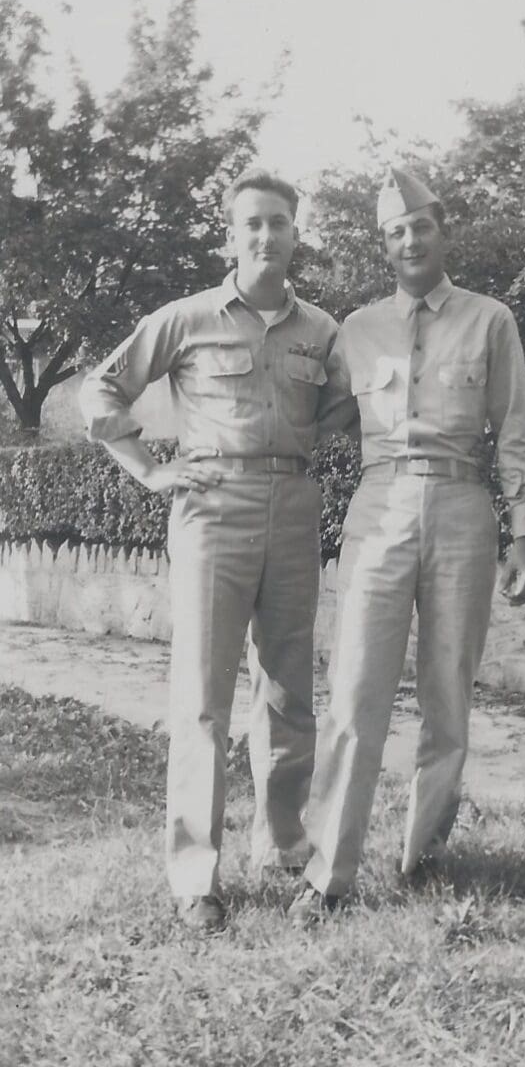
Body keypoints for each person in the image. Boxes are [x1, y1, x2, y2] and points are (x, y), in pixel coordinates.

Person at [80, 168, 339, 931]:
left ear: (296, 234)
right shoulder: (185, 318)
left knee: (289, 689)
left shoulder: (322, 331)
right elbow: (99, 390)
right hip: (210, 510)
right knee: (201, 699)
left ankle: (284, 845)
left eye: (279, 223)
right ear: (232, 235)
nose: (265, 236)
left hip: (293, 507)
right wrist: (149, 468)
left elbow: (347, 412)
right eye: (251, 223)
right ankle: (195, 876)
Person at [289, 166, 525, 925]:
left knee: (446, 695)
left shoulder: (489, 319)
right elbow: (318, 412)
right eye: (395, 232)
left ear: (441, 229)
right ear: (384, 243)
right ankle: (328, 873)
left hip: (464, 505)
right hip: (378, 504)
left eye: (420, 226)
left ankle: (421, 857)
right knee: (354, 692)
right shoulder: (356, 328)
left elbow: (518, 425)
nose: (409, 240)